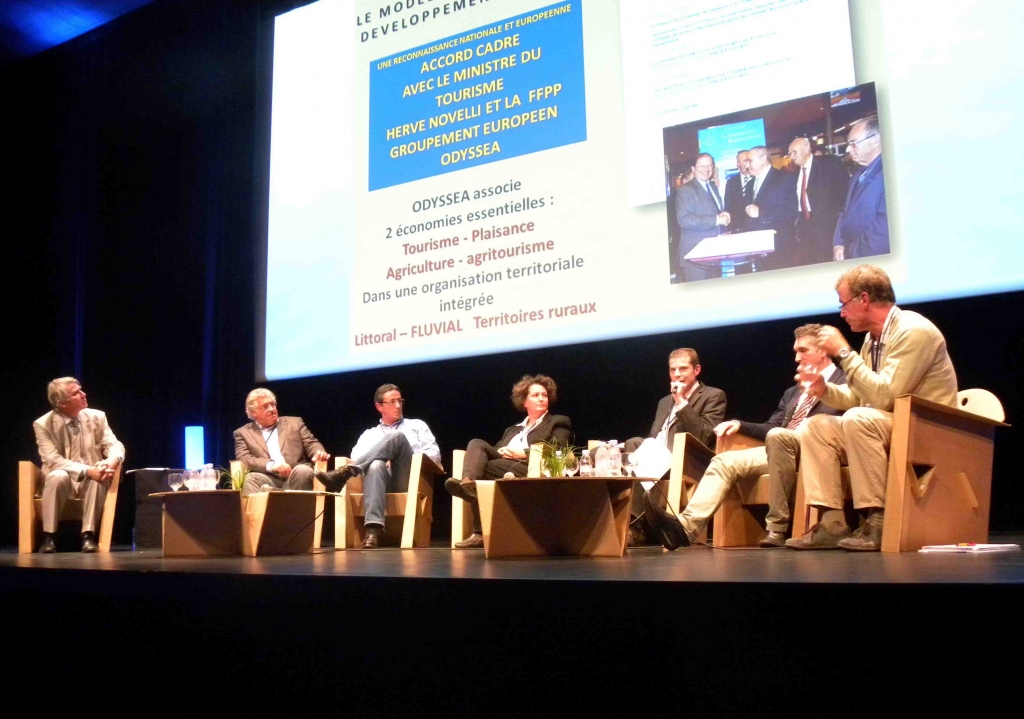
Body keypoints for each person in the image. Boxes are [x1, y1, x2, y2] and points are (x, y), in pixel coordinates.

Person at [787, 265, 957, 551]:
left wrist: (843, 352)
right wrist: (823, 389)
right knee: (816, 426)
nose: (841, 312)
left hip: (928, 427)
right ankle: (832, 523)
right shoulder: (872, 339)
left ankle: (876, 521)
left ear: (863, 299)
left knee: (858, 418)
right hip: (889, 423)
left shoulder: (914, 331)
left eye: (844, 304)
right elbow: (859, 396)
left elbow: (884, 396)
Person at [641, 326, 846, 550]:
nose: (796, 357)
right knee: (722, 461)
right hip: (780, 447)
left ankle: (777, 529)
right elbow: (772, 426)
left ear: (823, 351)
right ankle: (683, 529)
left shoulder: (844, 381)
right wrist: (740, 424)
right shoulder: (793, 392)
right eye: (796, 351)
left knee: (778, 437)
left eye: (803, 350)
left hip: (818, 448)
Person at [445, 375, 572, 549]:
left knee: (483, 470)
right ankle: (467, 482)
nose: (541, 398)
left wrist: (523, 453)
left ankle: (479, 531)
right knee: (476, 443)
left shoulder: (558, 421)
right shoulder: (512, 429)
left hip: (531, 467)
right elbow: (496, 449)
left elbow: (558, 448)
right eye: (535, 395)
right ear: (524, 402)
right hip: (503, 463)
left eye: (544, 395)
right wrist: (501, 451)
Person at [316, 384, 441, 549]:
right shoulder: (369, 434)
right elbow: (355, 457)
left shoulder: (417, 425)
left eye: (400, 401)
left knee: (397, 437)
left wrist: (398, 454)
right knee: (375, 464)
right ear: (379, 406)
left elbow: (435, 455)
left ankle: (344, 475)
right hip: (378, 481)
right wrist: (382, 456)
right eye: (392, 402)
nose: (398, 405)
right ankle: (373, 531)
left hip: (407, 478)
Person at [623, 348, 726, 545]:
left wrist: (681, 403)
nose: (677, 374)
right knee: (631, 444)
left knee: (637, 455)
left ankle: (635, 527)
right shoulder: (664, 401)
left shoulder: (713, 395)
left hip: (686, 460)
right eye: (672, 370)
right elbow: (655, 436)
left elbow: (704, 436)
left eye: (683, 369)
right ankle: (619, 524)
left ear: (696, 370)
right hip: (658, 457)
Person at [32, 377, 125, 553]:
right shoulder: (42, 424)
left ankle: (88, 535)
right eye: (76, 393)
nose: (84, 394)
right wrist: (88, 470)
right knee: (58, 475)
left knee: (98, 475)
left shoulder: (97, 417)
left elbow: (115, 445)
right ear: (62, 403)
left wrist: (110, 462)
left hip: (90, 482)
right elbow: (52, 460)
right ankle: (49, 537)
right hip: (60, 479)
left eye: (81, 390)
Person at [233, 388, 329, 497]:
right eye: (265, 407)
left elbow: (311, 443)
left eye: (273, 404)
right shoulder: (243, 433)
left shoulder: (294, 423)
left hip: (295, 475)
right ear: (253, 412)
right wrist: (272, 465)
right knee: (251, 479)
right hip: (268, 478)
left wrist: (318, 452)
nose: (272, 409)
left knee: (303, 470)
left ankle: (298, 513)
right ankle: (260, 514)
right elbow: (244, 458)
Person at [833, 115, 889, 260]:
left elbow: (882, 233)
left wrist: (849, 254)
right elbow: (844, 210)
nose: (848, 149)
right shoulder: (859, 172)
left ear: (876, 140)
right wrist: (838, 242)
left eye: (853, 143)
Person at [787, 138, 849, 266]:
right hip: (805, 227)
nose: (792, 156)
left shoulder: (829, 163)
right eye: (790, 154)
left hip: (828, 227)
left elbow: (844, 192)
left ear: (806, 148)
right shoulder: (794, 174)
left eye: (794, 152)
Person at [675, 153, 731, 282]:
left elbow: (713, 212)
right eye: (702, 166)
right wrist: (717, 219)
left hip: (714, 254)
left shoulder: (712, 187)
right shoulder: (686, 190)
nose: (707, 169)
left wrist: (724, 215)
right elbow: (684, 220)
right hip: (696, 256)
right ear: (693, 169)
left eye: (710, 166)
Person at [744, 145, 798, 269]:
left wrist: (761, 213)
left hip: (779, 247)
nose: (747, 165)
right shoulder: (750, 184)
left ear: (763, 159)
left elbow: (791, 211)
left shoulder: (784, 178)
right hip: (758, 247)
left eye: (750, 161)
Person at [723, 149, 752, 228]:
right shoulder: (731, 182)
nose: (741, 164)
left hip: (756, 226)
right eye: (738, 161)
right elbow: (728, 206)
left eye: (744, 161)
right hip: (737, 227)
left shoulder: (757, 179)